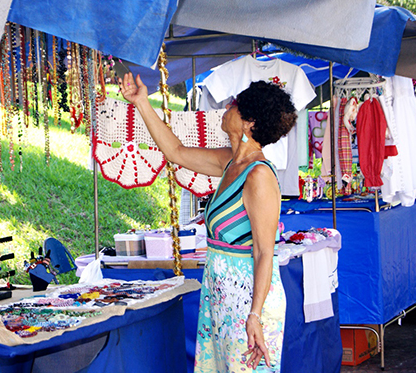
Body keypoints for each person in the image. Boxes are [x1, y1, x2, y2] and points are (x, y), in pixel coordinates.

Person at [119, 73, 297, 372]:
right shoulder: (231, 162)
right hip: (220, 291)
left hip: (248, 299)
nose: (228, 106)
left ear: (249, 123)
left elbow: (265, 252)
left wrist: (254, 315)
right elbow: (175, 152)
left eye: (236, 104)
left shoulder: (258, 176)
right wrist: (141, 103)